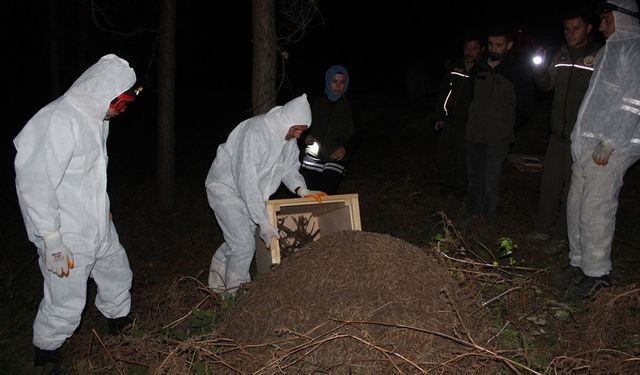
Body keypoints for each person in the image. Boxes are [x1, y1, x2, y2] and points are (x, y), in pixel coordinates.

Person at [13, 54, 140, 370]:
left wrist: (103, 214)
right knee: (66, 302)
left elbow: (89, 179)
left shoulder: (96, 119)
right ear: (102, 91)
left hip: (98, 226)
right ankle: (46, 354)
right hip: (65, 234)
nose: (121, 109)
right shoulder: (58, 120)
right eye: (121, 101)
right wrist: (52, 239)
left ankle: (120, 332)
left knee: (118, 275)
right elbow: (34, 184)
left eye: (128, 102)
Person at [205, 93, 326, 295]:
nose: (298, 135)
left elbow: (288, 169)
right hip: (226, 189)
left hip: (254, 195)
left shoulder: (287, 139)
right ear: (286, 121)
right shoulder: (256, 132)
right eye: (297, 129)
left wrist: (302, 190)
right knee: (243, 244)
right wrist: (262, 219)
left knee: (237, 242)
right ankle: (234, 297)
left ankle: (217, 285)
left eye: (302, 131)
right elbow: (246, 178)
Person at [560, 0, 640, 298]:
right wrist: (579, 138)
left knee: (597, 209)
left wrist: (610, 142)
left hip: (611, 149)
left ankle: (597, 274)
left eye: (607, 19)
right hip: (586, 146)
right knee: (576, 205)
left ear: (625, 19)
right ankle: (578, 262)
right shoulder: (608, 51)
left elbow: (633, 101)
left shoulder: (635, 50)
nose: (602, 26)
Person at [528, 5, 602, 243]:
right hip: (557, 134)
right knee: (549, 183)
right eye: (567, 28)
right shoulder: (559, 54)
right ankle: (541, 227)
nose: (570, 33)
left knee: (573, 190)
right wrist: (538, 70)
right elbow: (546, 85)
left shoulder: (599, 56)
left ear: (588, 28)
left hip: (582, 138)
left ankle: (562, 236)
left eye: (576, 28)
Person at [464, 25, 534, 223]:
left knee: (490, 182)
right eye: (491, 44)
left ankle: (486, 221)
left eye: (499, 45)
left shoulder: (517, 72)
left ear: (509, 45)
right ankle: (472, 216)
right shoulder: (478, 68)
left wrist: (508, 127)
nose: (494, 48)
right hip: (474, 135)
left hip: (498, 139)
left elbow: (526, 106)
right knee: (474, 180)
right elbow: (470, 98)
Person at [434, 35, 485, 199]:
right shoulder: (454, 66)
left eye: (474, 48)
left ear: (481, 49)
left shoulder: (483, 71)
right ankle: (445, 186)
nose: (469, 52)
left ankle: (460, 190)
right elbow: (443, 92)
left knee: (464, 159)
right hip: (449, 120)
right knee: (444, 155)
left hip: (469, 124)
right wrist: (440, 115)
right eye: (467, 48)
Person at [300, 65, 360, 195]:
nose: (338, 86)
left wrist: (344, 148)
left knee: (326, 193)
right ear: (328, 81)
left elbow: (357, 135)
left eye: (342, 82)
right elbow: (304, 127)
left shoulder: (350, 105)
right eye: (334, 81)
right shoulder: (317, 103)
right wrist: (306, 137)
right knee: (309, 193)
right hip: (312, 156)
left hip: (336, 158)